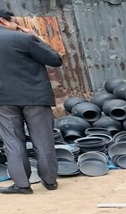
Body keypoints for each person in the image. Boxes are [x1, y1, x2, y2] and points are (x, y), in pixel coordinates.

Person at [0, 9, 62, 195]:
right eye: (15, 21)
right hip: (35, 98)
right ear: (3, 21)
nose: (18, 24)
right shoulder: (24, 39)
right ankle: (50, 181)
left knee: (12, 141)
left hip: (3, 101)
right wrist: (37, 38)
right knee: (43, 139)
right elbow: (55, 60)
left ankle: (22, 185)